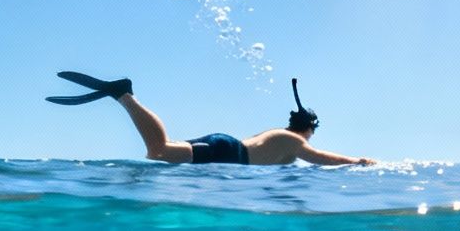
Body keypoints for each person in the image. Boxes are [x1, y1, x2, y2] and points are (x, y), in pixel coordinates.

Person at [47, 72, 375, 166]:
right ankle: (124, 94)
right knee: (159, 150)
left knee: (156, 153)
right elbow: (319, 159)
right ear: (308, 129)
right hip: (227, 153)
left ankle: (124, 96)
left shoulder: (279, 135)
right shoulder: (294, 140)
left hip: (226, 147)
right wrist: (357, 161)